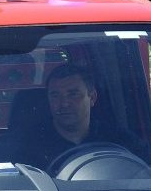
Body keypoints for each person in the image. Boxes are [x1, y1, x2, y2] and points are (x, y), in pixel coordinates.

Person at [11, 64, 148, 170]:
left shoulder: (120, 140)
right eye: (55, 95)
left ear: (92, 97)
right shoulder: (28, 146)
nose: (64, 103)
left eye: (73, 94)